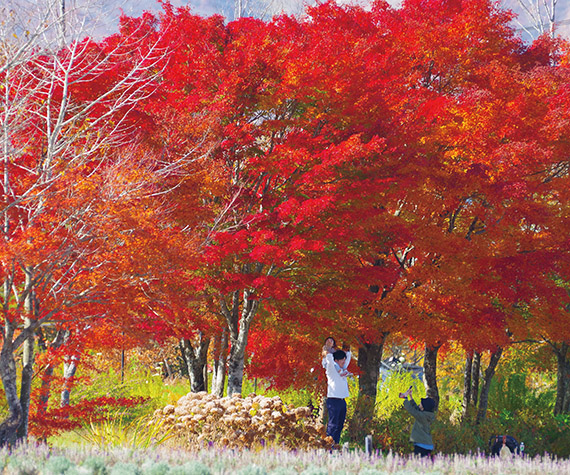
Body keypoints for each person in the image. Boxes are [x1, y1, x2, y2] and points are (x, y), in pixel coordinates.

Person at [323, 349, 351, 448]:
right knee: (332, 424)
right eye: (342, 360)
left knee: (340, 425)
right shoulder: (331, 369)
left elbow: (348, 355)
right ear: (337, 360)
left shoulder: (343, 370)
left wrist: (346, 351)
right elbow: (329, 358)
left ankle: (335, 444)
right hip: (333, 400)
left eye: (344, 360)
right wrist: (329, 348)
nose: (344, 362)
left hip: (342, 400)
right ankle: (328, 445)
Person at [398, 386, 436, 457]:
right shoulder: (427, 415)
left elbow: (412, 411)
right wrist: (411, 397)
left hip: (421, 444)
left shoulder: (422, 416)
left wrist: (405, 398)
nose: (420, 403)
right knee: (424, 464)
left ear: (424, 407)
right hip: (427, 444)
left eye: (421, 403)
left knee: (419, 463)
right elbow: (417, 409)